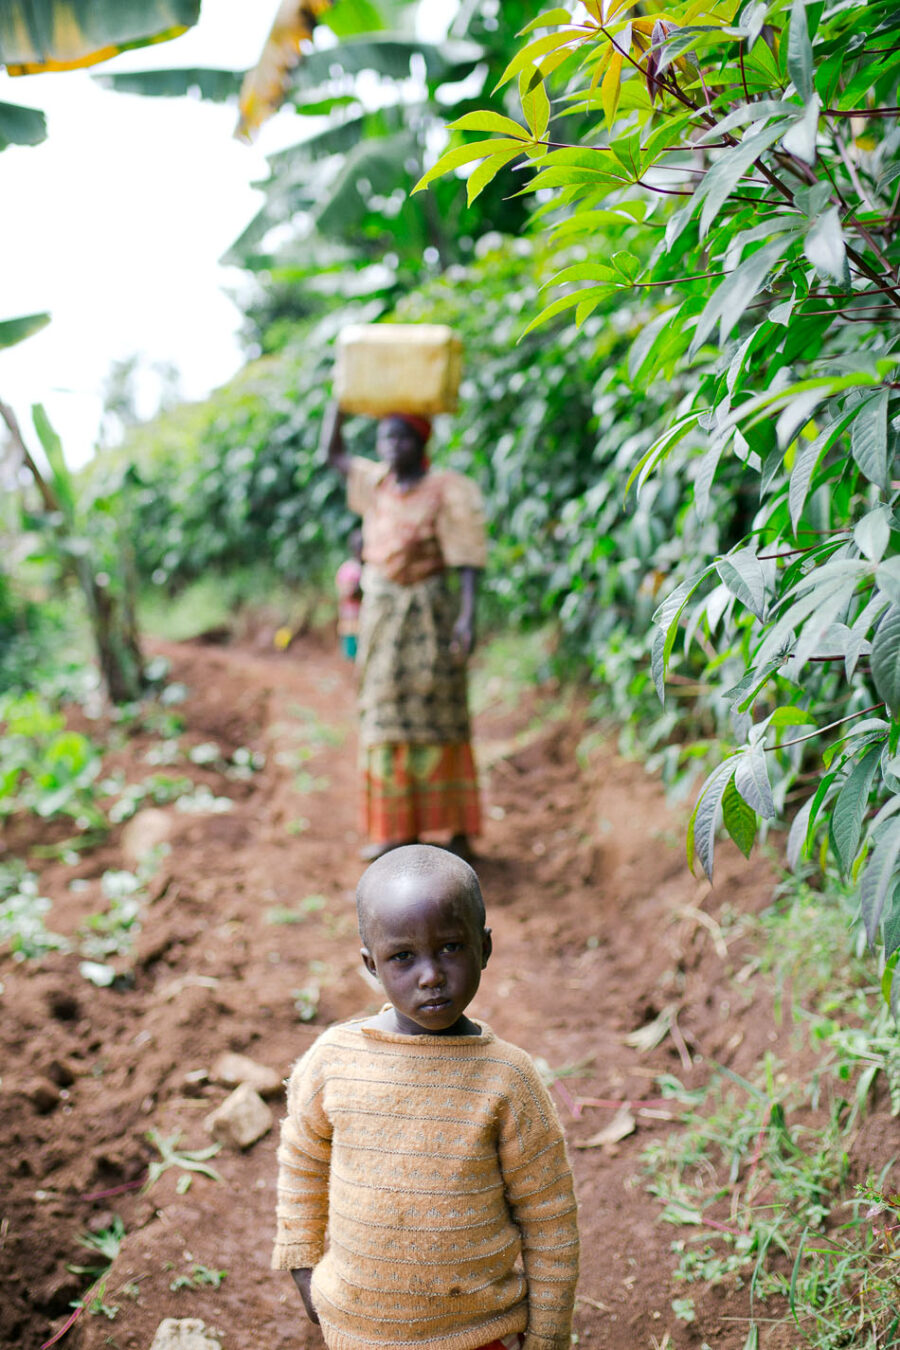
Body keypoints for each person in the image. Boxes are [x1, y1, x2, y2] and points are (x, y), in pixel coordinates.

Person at [272, 844, 580, 1350]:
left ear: (485, 947)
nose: (431, 974)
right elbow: (302, 1162)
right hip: (360, 1330)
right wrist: (303, 1267)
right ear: (372, 964)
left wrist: (548, 1334)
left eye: (451, 947)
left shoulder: (507, 1080)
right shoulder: (334, 1062)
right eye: (402, 957)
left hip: (480, 1333)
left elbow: (549, 1219)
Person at [322, 403, 487, 861]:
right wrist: (340, 402)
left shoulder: (446, 491)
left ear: (422, 444)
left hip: (430, 614)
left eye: (403, 439)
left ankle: (456, 830)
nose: (393, 448)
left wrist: (467, 617)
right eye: (386, 439)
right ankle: (396, 830)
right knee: (382, 711)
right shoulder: (375, 484)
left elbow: (468, 558)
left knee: (441, 712)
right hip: (382, 617)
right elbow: (331, 454)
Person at [335, 529, 363, 660]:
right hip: (352, 618)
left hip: (356, 618)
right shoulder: (353, 568)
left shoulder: (346, 567)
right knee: (354, 653)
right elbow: (345, 593)